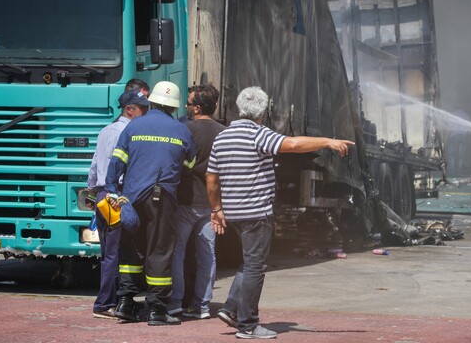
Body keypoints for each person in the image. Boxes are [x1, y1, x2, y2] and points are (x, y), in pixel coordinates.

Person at [206, 86, 354, 339]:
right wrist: (328, 141)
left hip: (234, 212)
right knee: (255, 266)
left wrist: (216, 209)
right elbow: (293, 144)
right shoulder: (258, 134)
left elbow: (211, 177)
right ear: (263, 112)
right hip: (256, 212)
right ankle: (248, 325)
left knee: (250, 261)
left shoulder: (223, 136)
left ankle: (231, 308)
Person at [105, 81, 197, 326]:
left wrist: (113, 192)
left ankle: (125, 304)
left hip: (131, 198)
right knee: (160, 250)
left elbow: (116, 162)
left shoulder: (134, 126)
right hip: (163, 199)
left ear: (152, 101)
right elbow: (188, 167)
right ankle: (157, 309)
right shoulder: (182, 131)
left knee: (131, 249)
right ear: (174, 107)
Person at [88, 89, 150, 318]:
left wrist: (96, 191)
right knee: (119, 253)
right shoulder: (131, 131)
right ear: (129, 110)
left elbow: (95, 164)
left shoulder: (105, 130)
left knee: (108, 252)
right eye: (142, 109)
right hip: (118, 196)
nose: (145, 113)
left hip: (103, 195)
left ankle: (114, 300)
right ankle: (105, 304)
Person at [168, 84, 226, 319]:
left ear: (197, 107)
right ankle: (202, 305)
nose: (186, 106)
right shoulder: (224, 132)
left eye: (189, 103)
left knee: (177, 252)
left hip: (185, 200)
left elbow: (177, 165)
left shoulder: (185, 131)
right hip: (212, 205)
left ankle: (175, 302)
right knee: (207, 254)